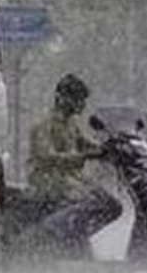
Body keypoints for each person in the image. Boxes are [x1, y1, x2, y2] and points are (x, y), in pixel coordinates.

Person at [26, 73, 122, 253]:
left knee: (112, 205)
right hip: (48, 179)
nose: (82, 105)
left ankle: (74, 235)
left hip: (70, 178)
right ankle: (48, 232)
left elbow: (85, 142)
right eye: (78, 99)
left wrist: (109, 146)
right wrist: (82, 156)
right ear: (63, 98)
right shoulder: (44, 123)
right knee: (92, 200)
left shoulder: (71, 122)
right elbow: (47, 157)